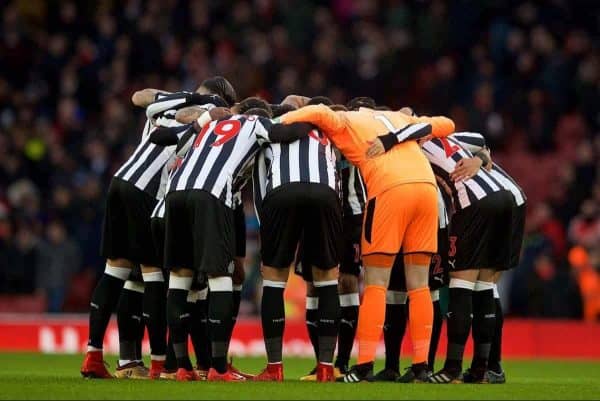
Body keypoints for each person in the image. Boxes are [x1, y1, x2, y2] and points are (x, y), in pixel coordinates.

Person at [280, 101, 455, 382]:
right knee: (419, 284)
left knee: (376, 283)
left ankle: (363, 366)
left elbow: (319, 113)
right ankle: (422, 366)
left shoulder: (347, 121)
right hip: (426, 191)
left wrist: (284, 119)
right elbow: (447, 123)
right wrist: (396, 137)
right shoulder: (399, 118)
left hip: (389, 190)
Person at [80, 80, 230, 379]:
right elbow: (155, 103)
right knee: (152, 275)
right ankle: (162, 364)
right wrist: (207, 106)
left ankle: (95, 355)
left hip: (120, 181)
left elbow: (140, 97)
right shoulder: (209, 109)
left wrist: (183, 99)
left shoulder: (165, 106)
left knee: (118, 271)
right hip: (147, 191)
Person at [164, 102, 316, 381]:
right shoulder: (254, 123)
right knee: (221, 276)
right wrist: (313, 120)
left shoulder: (212, 125)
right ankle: (218, 368)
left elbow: (178, 142)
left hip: (175, 193)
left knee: (179, 278)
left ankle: (182, 367)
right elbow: (285, 133)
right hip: (210, 195)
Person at [367, 126, 514, 384]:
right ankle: (482, 369)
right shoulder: (448, 138)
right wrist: (480, 159)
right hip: (505, 198)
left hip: (472, 204)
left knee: (461, 286)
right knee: (485, 287)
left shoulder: (409, 148)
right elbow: (480, 140)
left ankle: (453, 368)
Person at [250, 97, 342, 382]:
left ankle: (274, 368)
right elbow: (338, 173)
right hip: (326, 194)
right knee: (327, 278)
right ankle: (326, 367)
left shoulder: (271, 126)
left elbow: (259, 180)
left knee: (274, 279)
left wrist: (270, 231)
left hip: (282, 192)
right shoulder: (328, 131)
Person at [373, 187, 450, 382]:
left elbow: (464, 158)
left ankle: (425, 366)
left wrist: (481, 156)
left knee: (427, 289)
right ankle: (391, 367)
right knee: (393, 291)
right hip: (394, 212)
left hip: (428, 213)